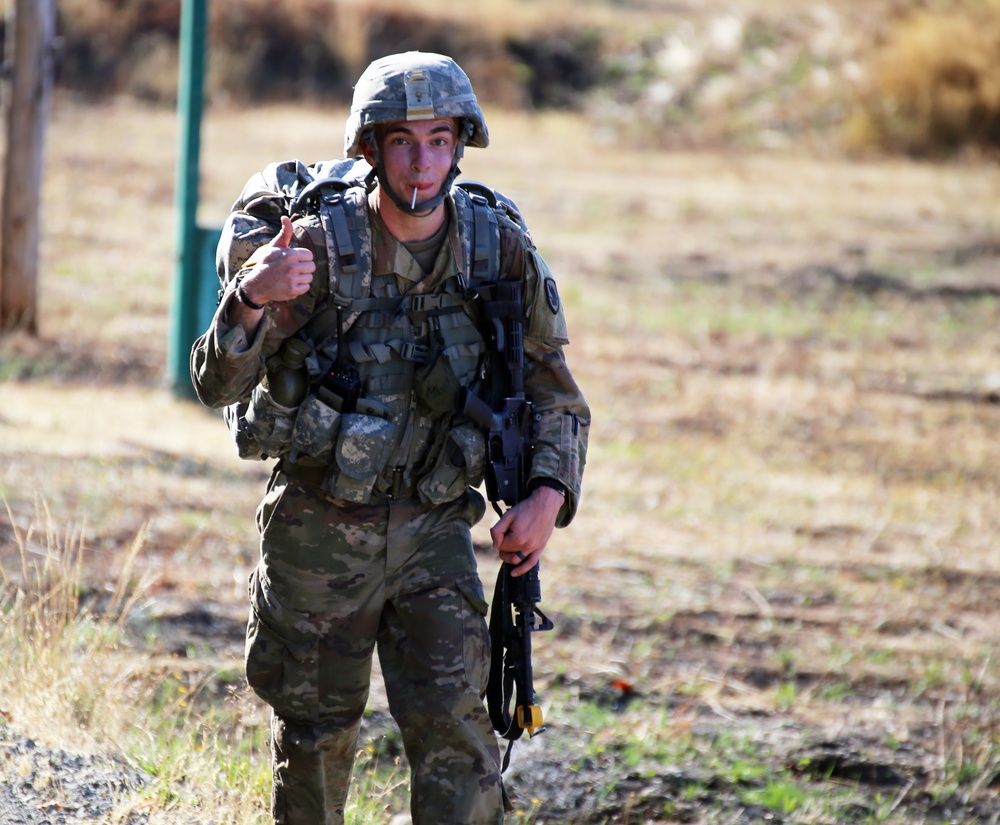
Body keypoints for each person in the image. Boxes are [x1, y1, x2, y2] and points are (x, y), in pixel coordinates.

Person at [190, 51, 590, 825]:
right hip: (317, 527)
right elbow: (216, 386)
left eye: (439, 139)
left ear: (461, 145)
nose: (423, 161)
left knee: (459, 737)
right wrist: (249, 297)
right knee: (313, 738)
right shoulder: (313, 245)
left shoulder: (494, 248)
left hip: (435, 526)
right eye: (402, 141)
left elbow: (554, 392)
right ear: (369, 149)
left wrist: (548, 493)